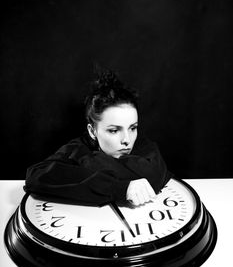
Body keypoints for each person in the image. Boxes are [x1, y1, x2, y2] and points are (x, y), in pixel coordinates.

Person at [24, 70, 172, 207]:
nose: (127, 139)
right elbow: (35, 177)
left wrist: (90, 170)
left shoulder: (143, 144)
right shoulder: (77, 149)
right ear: (92, 131)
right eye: (114, 130)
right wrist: (119, 188)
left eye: (133, 128)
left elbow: (153, 175)